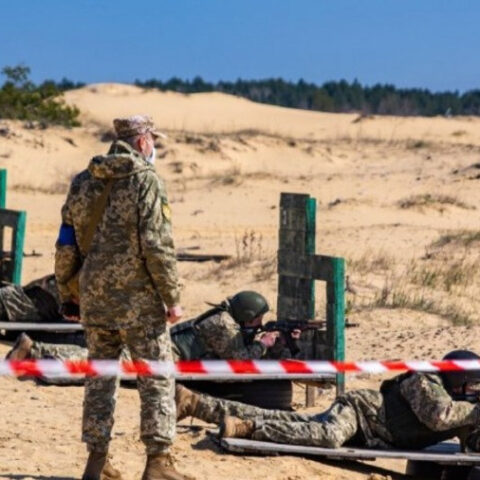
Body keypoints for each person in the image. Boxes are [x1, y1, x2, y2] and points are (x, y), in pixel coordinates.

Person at [54, 115, 191, 480]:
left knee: (100, 378)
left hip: (95, 299)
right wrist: (172, 297)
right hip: (139, 303)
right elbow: (156, 246)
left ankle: (97, 460)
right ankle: (158, 462)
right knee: (156, 377)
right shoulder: (146, 181)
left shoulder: (83, 182)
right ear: (144, 141)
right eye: (153, 141)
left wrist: (68, 292)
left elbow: (66, 244)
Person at [175, 350, 480, 452]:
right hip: (361, 412)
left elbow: (471, 444)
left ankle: (195, 404)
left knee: (289, 419)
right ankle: (249, 428)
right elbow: (439, 416)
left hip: (374, 436)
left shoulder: (462, 403)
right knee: (328, 435)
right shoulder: (425, 381)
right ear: (458, 379)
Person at [6, 291, 285, 366]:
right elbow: (239, 359)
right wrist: (264, 344)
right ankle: (35, 351)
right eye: (257, 319)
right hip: (159, 354)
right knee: (101, 363)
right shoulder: (223, 324)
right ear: (247, 315)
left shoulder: (224, 316)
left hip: (157, 345)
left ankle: (36, 349)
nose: (259, 324)